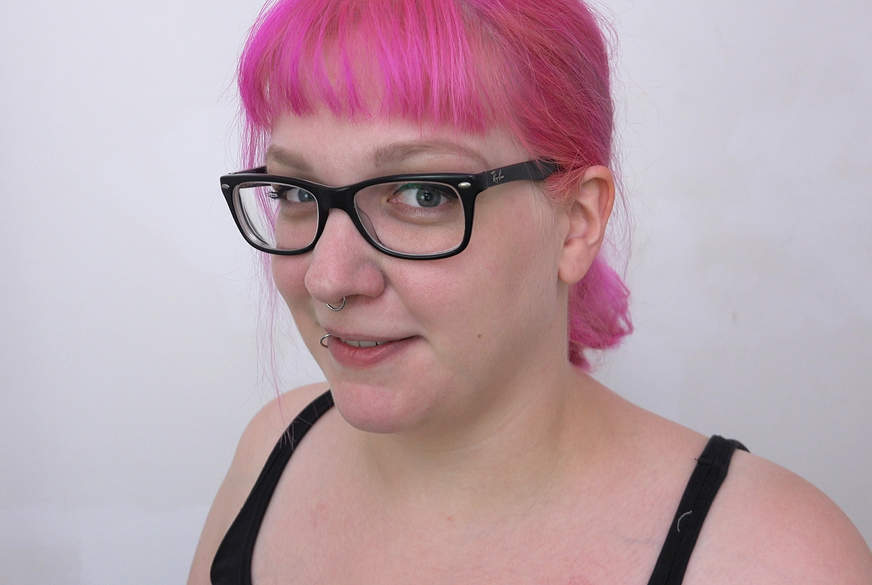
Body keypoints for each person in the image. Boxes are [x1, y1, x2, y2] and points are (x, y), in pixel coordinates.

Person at [189, 1, 872, 583]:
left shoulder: (775, 560)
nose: (327, 278)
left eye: (423, 194)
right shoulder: (274, 449)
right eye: (293, 192)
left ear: (577, 222)